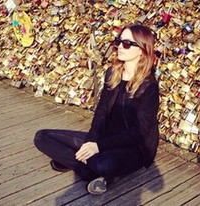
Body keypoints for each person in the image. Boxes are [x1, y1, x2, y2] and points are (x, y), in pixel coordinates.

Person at [34, 24, 160, 195]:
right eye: (119, 41)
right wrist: (91, 142)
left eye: (127, 43)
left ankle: (86, 166)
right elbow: (100, 114)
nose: (120, 47)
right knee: (42, 137)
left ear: (142, 49)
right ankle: (91, 172)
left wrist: (98, 146)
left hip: (134, 148)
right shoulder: (113, 73)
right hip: (105, 138)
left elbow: (139, 133)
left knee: (104, 164)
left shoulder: (149, 86)